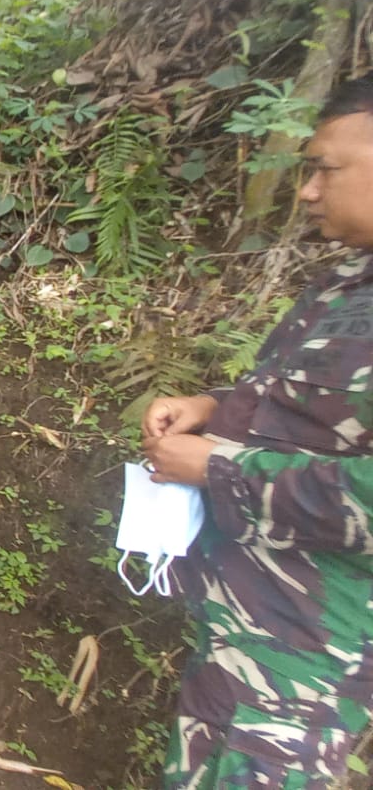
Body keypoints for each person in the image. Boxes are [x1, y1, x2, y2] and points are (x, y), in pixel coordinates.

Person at [140, 75, 373, 788]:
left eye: (325, 169)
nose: (308, 190)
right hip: (240, 628)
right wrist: (211, 406)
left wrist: (218, 468)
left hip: (308, 663)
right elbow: (301, 410)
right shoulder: (343, 287)